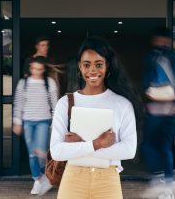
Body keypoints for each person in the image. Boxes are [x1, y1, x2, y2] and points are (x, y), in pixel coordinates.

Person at [50, 36, 143, 199]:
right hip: (73, 180)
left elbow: (129, 150)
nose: (92, 71)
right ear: (80, 66)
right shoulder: (65, 103)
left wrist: (80, 147)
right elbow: (57, 151)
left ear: (107, 66)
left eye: (99, 64)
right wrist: (97, 144)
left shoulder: (122, 104)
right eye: (87, 65)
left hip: (107, 181)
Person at [141, 27, 175, 199]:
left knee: (148, 145)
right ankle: (168, 187)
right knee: (165, 147)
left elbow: (146, 83)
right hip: (173, 111)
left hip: (156, 110)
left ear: (157, 39)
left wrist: (147, 98)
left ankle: (158, 178)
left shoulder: (154, 57)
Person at [13, 56, 58, 196]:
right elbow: (18, 102)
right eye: (33, 68)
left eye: (39, 69)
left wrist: (56, 122)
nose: (36, 71)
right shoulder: (23, 83)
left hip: (43, 121)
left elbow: (55, 103)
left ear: (43, 69)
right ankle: (37, 180)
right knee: (32, 153)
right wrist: (17, 121)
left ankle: (45, 175)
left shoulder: (49, 82)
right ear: (30, 67)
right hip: (27, 121)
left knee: (40, 151)